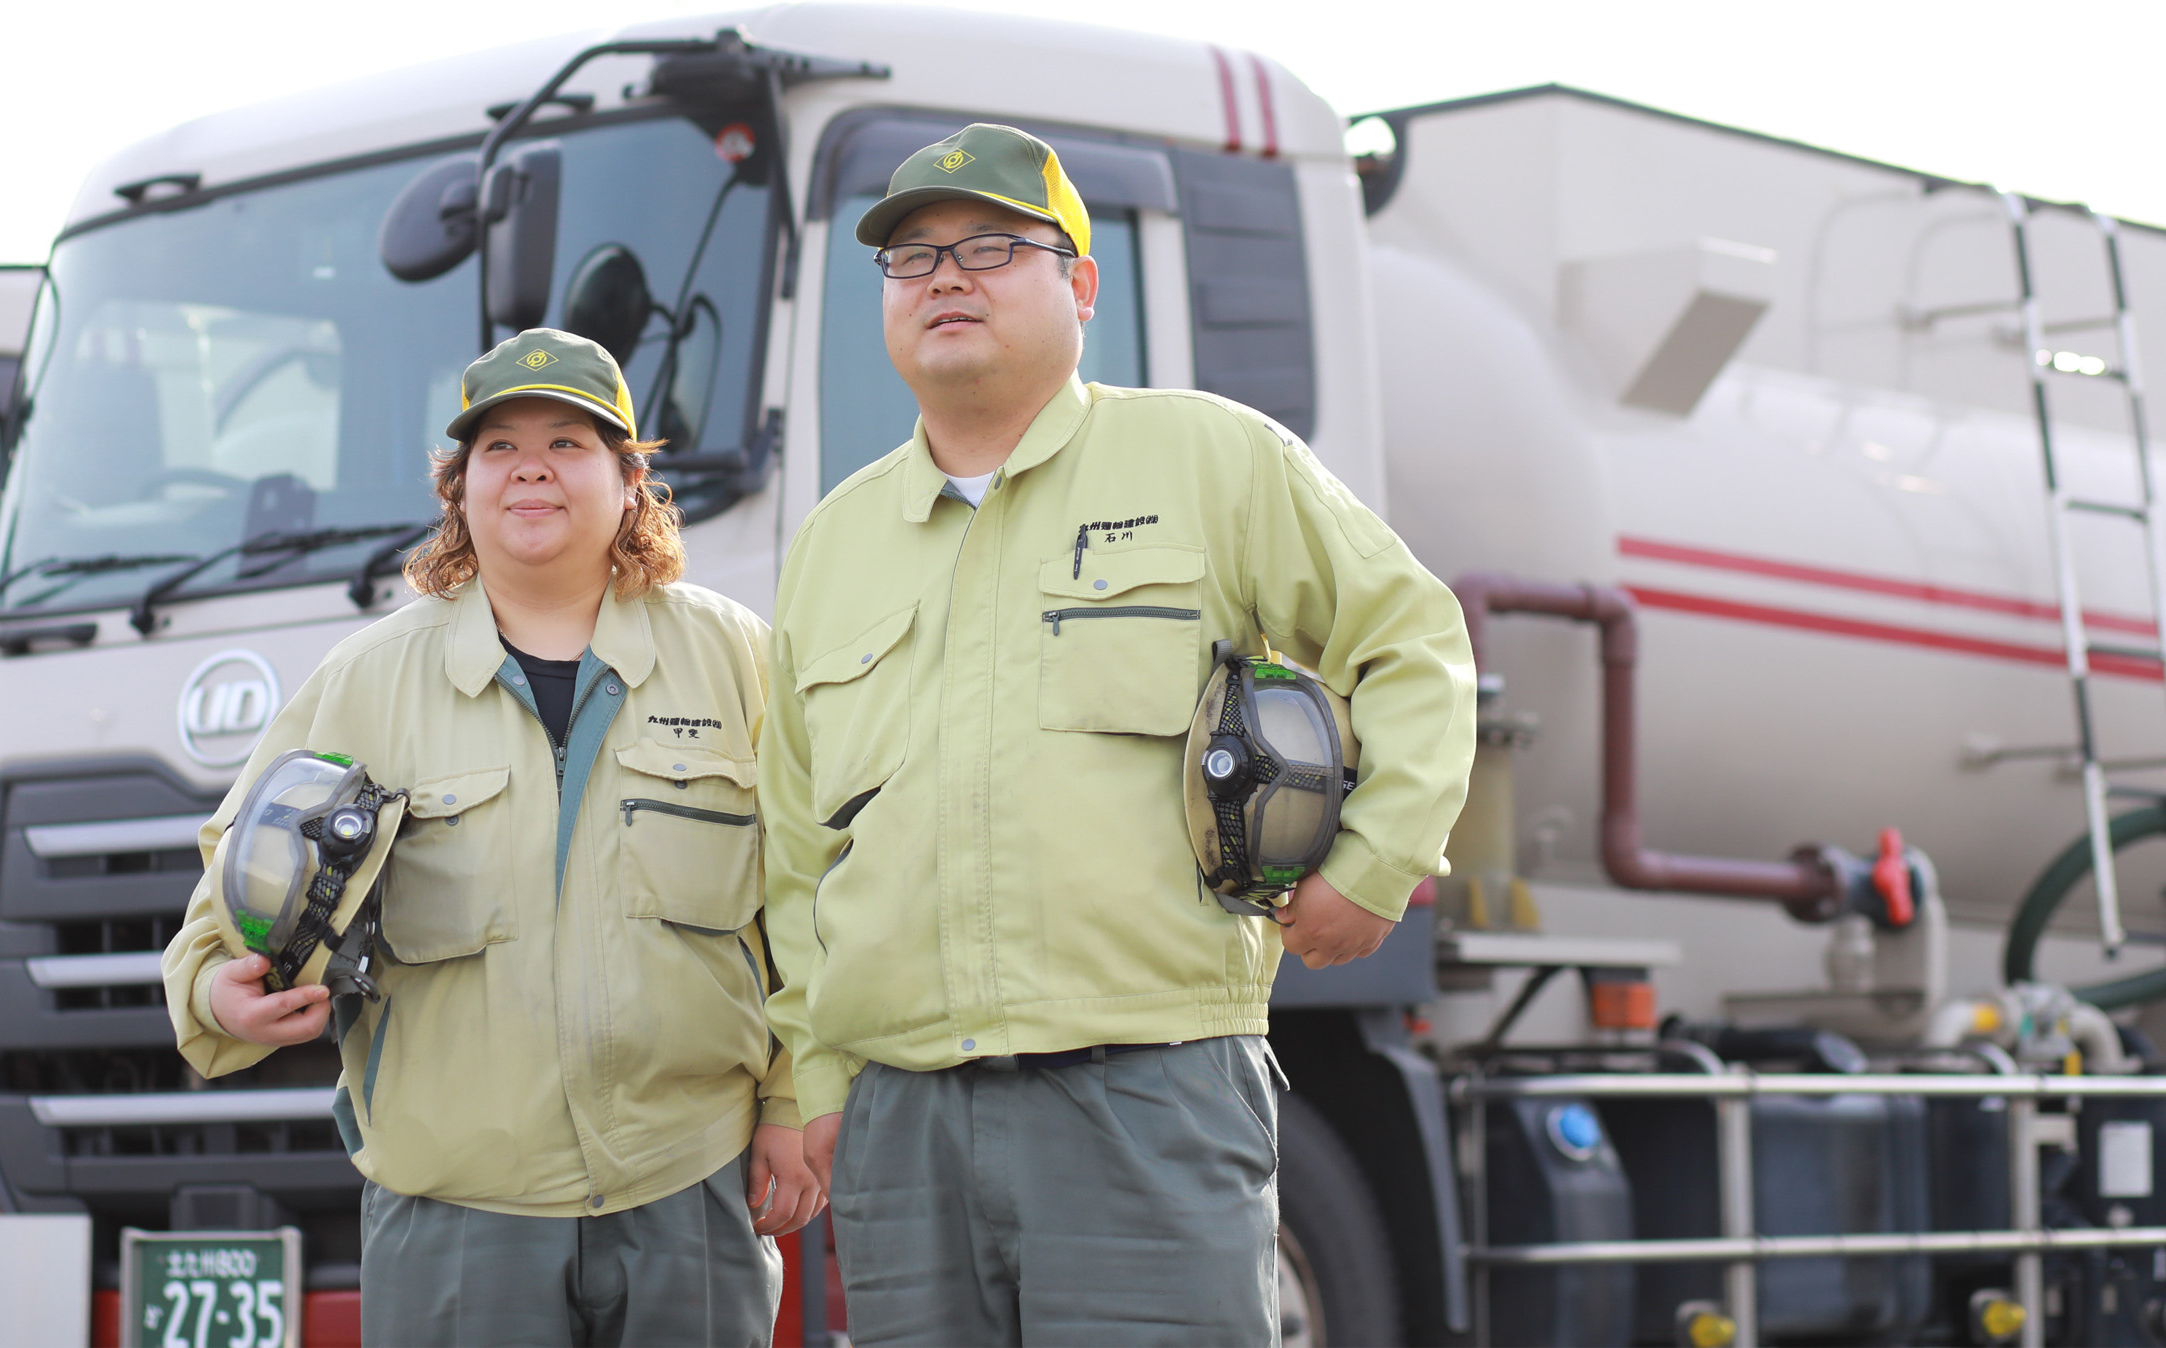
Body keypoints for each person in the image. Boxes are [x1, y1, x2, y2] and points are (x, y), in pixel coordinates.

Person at [759, 124, 1475, 1344]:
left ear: (1080, 285)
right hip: (902, 1126)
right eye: (911, 257)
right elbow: (792, 846)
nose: (943, 277)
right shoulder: (835, 541)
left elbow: (1409, 639)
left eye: (990, 247)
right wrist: (811, 1077)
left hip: (1144, 1086)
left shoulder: (1206, 456)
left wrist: (1378, 857)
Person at [163, 328, 818, 1347]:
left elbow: (808, 899)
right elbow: (232, 880)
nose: (532, 470)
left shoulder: (735, 658)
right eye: (499, 447)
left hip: (688, 1188)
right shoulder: (367, 678)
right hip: (455, 1212)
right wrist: (217, 994)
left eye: (568, 442)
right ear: (458, 487)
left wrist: (790, 1102)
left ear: (627, 479)